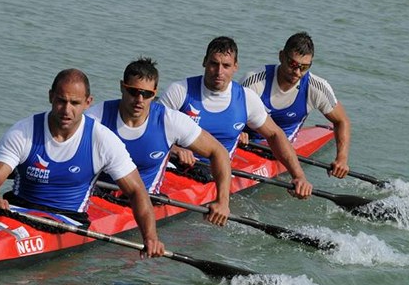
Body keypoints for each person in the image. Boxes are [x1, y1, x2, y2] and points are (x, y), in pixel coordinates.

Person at [0, 68, 165, 258]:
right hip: (16, 212)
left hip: (66, 221)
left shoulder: (102, 140)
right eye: (61, 101)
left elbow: (136, 191)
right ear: (51, 97)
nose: (67, 110)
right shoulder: (23, 132)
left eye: (75, 103)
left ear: (87, 103)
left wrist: (150, 237)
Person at [158, 36, 313, 199]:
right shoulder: (180, 90)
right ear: (204, 62)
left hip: (214, 173)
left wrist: (299, 176)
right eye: (214, 63)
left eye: (226, 66)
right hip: (172, 165)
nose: (219, 72)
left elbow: (275, 134)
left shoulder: (246, 98)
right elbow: (150, 128)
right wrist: (175, 149)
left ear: (235, 67)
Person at [86, 57, 232, 226]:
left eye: (147, 94)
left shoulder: (169, 121)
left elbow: (218, 151)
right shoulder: (96, 117)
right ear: (122, 86)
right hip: (98, 196)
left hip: (145, 202)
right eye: (134, 91)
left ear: (155, 93)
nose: (140, 100)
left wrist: (223, 202)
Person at [239, 32, 351, 178]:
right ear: (281, 56)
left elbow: (341, 121)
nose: (297, 72)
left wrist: (341, 159)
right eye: (293, 64)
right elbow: (229, 113)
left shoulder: (317, 88)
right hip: (244, 142)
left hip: (278, 150)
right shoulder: (254, 80)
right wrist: (237, 131)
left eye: (304, 67)